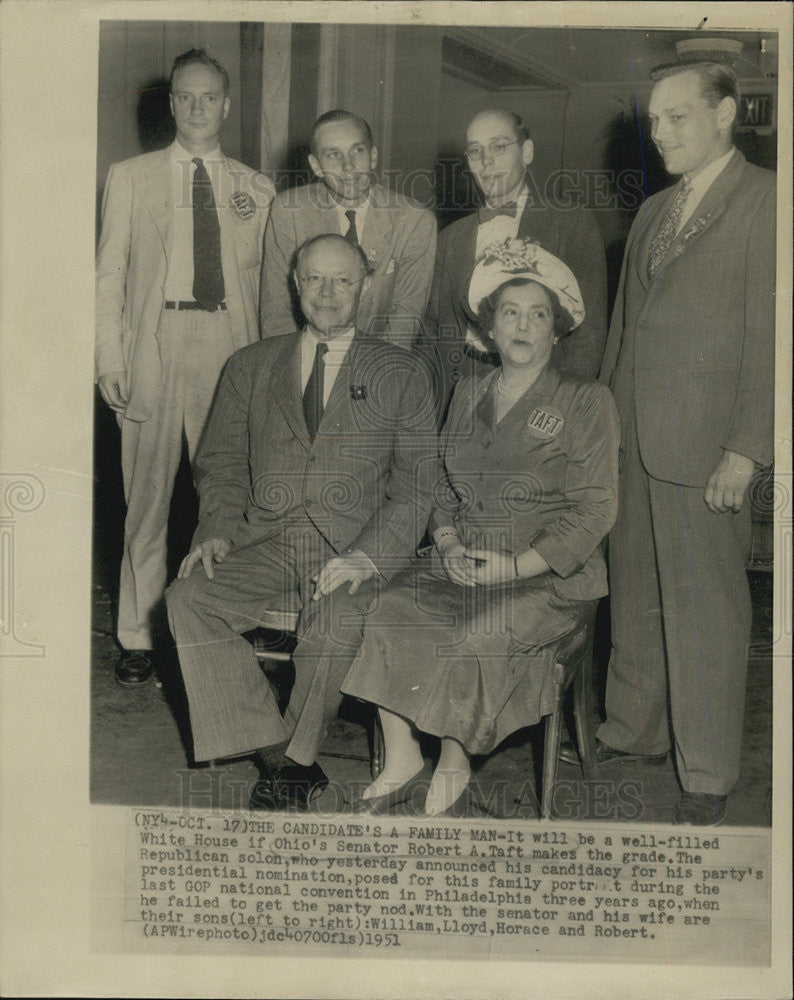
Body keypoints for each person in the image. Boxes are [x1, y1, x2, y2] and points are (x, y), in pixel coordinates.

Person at [342, 240, 619, 816]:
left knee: (475, 635)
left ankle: (453, 758)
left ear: (557, 331)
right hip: (463, 557)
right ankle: (402, 754)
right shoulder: (468, 392)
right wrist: (444, 539)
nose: (522, 325)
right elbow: (439, 481)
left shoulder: (586, 400)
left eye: (538, 314)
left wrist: (518, 566)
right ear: (489, 328)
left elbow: (596, 508)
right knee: (380, 603)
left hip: (547, 578)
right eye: (510, 312)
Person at [166, 233, 437, 810]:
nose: (328, 293)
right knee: (188, 598)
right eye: (314, 279)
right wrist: (215, 529)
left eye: (342, 280)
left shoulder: (403, 372)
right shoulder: (249, 365)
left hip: (355, 544)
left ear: (365, 285)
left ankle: (295, 762)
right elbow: (218, 464)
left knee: (334, 624)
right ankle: (276, 756)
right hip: (266, 536)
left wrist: (368, 557)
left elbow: (417, 484)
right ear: (295, 284)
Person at [586, 60, 776, 826]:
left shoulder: (767, 200)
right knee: (635, 600)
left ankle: (706, 770)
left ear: (726, 113)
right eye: (654, 120)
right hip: (633, 439)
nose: (660, 133)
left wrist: (747, 447)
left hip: (709, 449)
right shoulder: (653, 209)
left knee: (706, 614)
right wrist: (600, 432)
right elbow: (626, 331)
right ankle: (635, 732)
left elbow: (773, 337)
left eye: (678, 117)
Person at [95, 48, 273, 686]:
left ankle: (224, 626)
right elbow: (109, 273)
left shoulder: (258, 189)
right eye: (186, 97)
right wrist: (108, 358)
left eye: (210, 98)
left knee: (228, 496)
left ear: (226, 105)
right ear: (172, 104)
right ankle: (139, 633)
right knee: (146, 499)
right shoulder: (131, 175)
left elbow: (266, 290)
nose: (198, 108)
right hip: (156, 341)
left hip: (230, 343)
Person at [424, 108, 608, 411]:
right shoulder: (449, 239)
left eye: (498, 147)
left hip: (542, 388)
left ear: (527, 152)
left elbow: (589, 332)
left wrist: (561, 402)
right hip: (461, 390)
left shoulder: (571, 223)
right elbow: (434, 331)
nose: (486, 162)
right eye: (475, 151)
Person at [260, 109, 437, 347]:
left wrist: (373, 374)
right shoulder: (289, 211)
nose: (348, 166)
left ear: (373, 156)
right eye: (333, 155)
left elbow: (406, 316)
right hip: (305, 355)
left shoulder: (414, 219)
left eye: (357, 151)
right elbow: (276, 309)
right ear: (316, 165)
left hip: (377, 359)